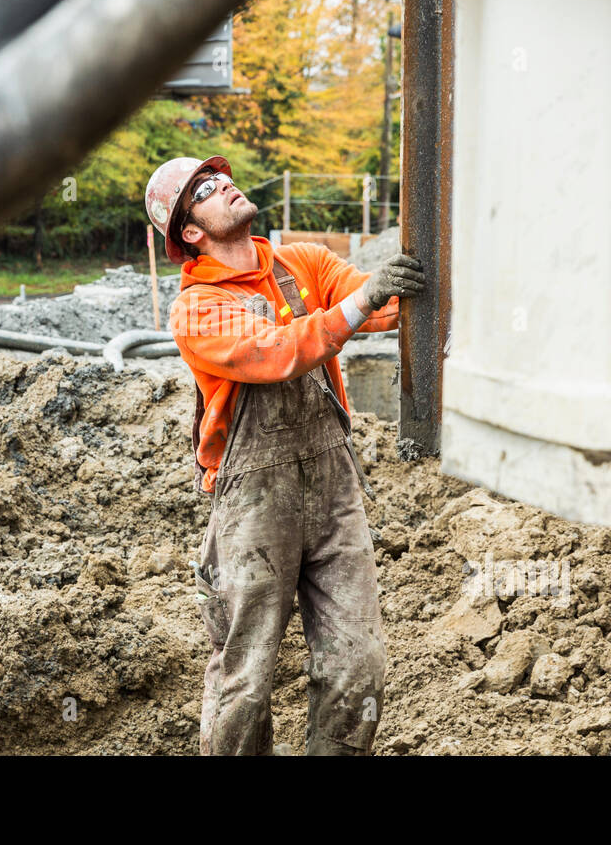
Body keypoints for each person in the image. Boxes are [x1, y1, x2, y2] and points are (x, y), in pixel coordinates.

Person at [145, 155, 426, 755]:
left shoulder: (303, 265)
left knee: (359, 664)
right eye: (204, 189)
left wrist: (402, 284)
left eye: (221, 176)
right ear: (190, 232)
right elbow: (275, 353)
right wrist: (359, 304)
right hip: (252, 505)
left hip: (333, 494)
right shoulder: (196, 309)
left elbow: (382, 306)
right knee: (245, 680)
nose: (224, 185)